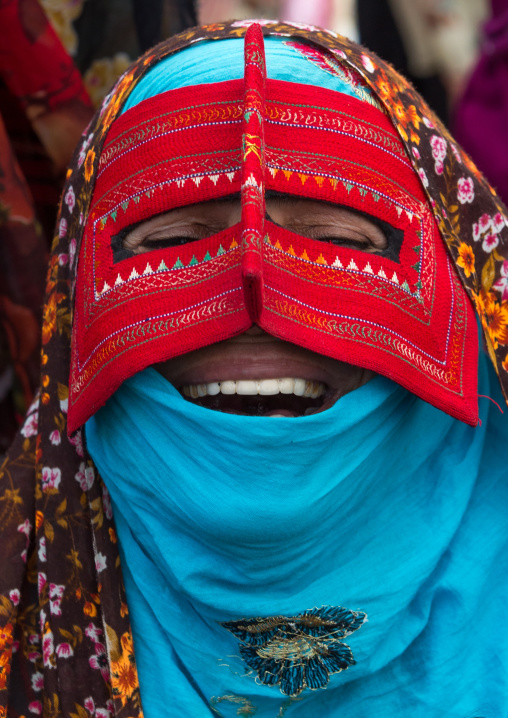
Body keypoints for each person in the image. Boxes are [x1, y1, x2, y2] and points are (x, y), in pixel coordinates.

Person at [1, 20, 508, 718]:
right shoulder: (21, 602)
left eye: (335, 243)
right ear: (79, 304)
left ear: (448, 289)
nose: (253, 287)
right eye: (172, 243)